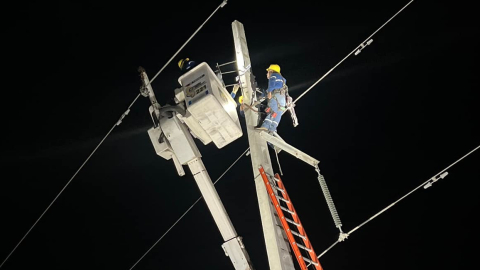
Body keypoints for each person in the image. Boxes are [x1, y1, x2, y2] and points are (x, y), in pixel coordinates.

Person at [255, 64, 287, 133]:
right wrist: (264, 94)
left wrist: (269, 92)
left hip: (275, 97)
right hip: (282, 100)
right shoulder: (283, 79)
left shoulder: (273, 75)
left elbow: (271, 84)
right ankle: (272, 130)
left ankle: (265, 126)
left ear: (271, 71)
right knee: (277, 114)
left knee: (271, 111)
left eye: (268, 72)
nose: (267, 74)